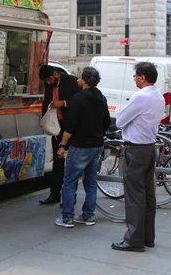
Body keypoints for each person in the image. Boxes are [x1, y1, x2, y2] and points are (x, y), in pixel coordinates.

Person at [112, 62, 165, 252]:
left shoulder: (141, 97)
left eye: (135, 76)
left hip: (135, 149)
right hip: (150, 147)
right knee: (148, 194)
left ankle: (134, 239)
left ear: (142, 77)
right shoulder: (158, 96)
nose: (134, 79)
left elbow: (119, 121)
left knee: (134, 195)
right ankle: (147, 236)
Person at [54, 67, 110, 228]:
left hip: (80, 145)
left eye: (79, 77)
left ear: (84, 80)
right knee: (91, 182)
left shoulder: (78, 99)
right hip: (97, 145)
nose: (77, 80)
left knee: (70, 182)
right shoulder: (101, 97)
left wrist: (62, 145)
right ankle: (88, 216)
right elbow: (106, 121)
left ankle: (67, 217)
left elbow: (70, 126)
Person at [38, 64, 80, 205]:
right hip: (57, 126)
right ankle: (54, 194)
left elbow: (79, 100)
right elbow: (46, 102)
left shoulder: (72, 81)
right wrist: (43, 118)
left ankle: (69, 196)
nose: (49, 83)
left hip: (71, 126)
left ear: (56, 74)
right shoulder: (49, 84)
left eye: (49, 79)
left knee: (71, 162)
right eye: (46, 82)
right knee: (57, 160)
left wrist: (63, 103)